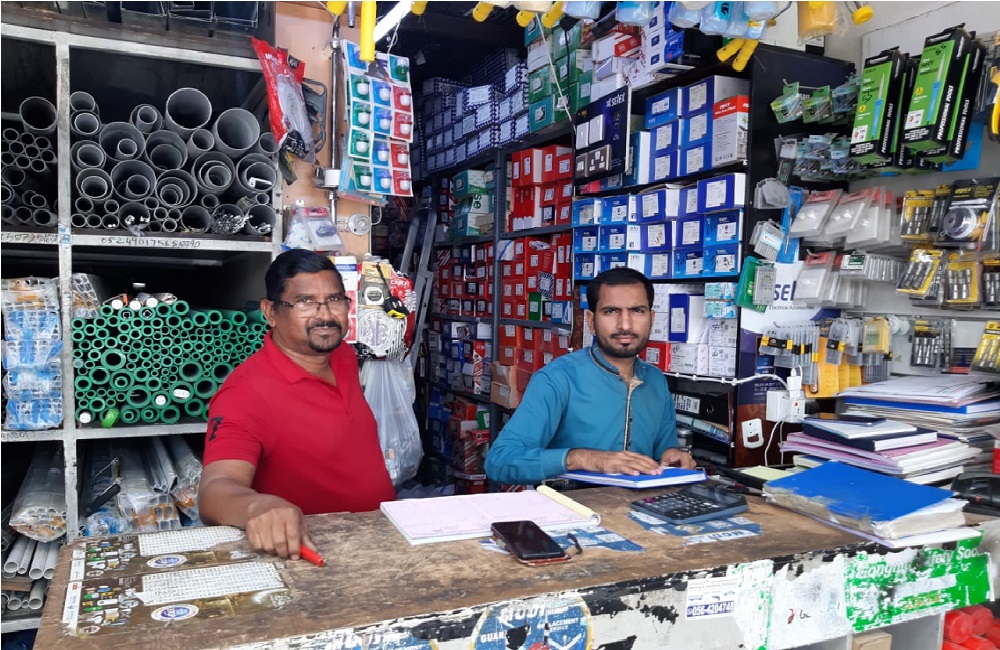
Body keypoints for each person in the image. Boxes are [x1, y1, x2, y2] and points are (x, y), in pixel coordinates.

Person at [199, 249, 395, 559]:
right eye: (305, 302)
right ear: (270, 312)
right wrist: (257, 507)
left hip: (383, 537)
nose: (325, 315)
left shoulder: (340, 355)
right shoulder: (245, 395)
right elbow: (216, 489)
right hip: (317, 554)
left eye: (334, 300)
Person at [485, 267, 695, 485]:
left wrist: (671, 456)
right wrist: (582, 458)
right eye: (611, 311)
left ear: (651, 318)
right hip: (571, 504)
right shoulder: (557, 379)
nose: (625, 325)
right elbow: (499, 461)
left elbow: (663, 452)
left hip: (641, 504)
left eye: (637, 311)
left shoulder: (656, 380)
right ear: (591, 321)